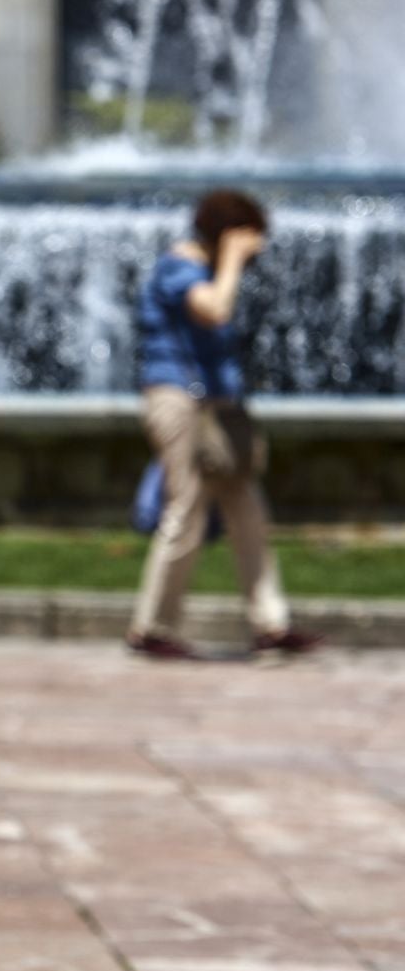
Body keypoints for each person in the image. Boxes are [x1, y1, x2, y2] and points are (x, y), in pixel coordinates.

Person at [126, 190, 323, 659]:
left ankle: (271, 624)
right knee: (186, 510)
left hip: (217, 408)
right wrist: (232, 257)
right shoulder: (179, 267)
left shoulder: (206, 269)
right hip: (179, 402)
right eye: (250, 240)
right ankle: (152, 628)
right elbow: (213, 309)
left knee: (248, 512)